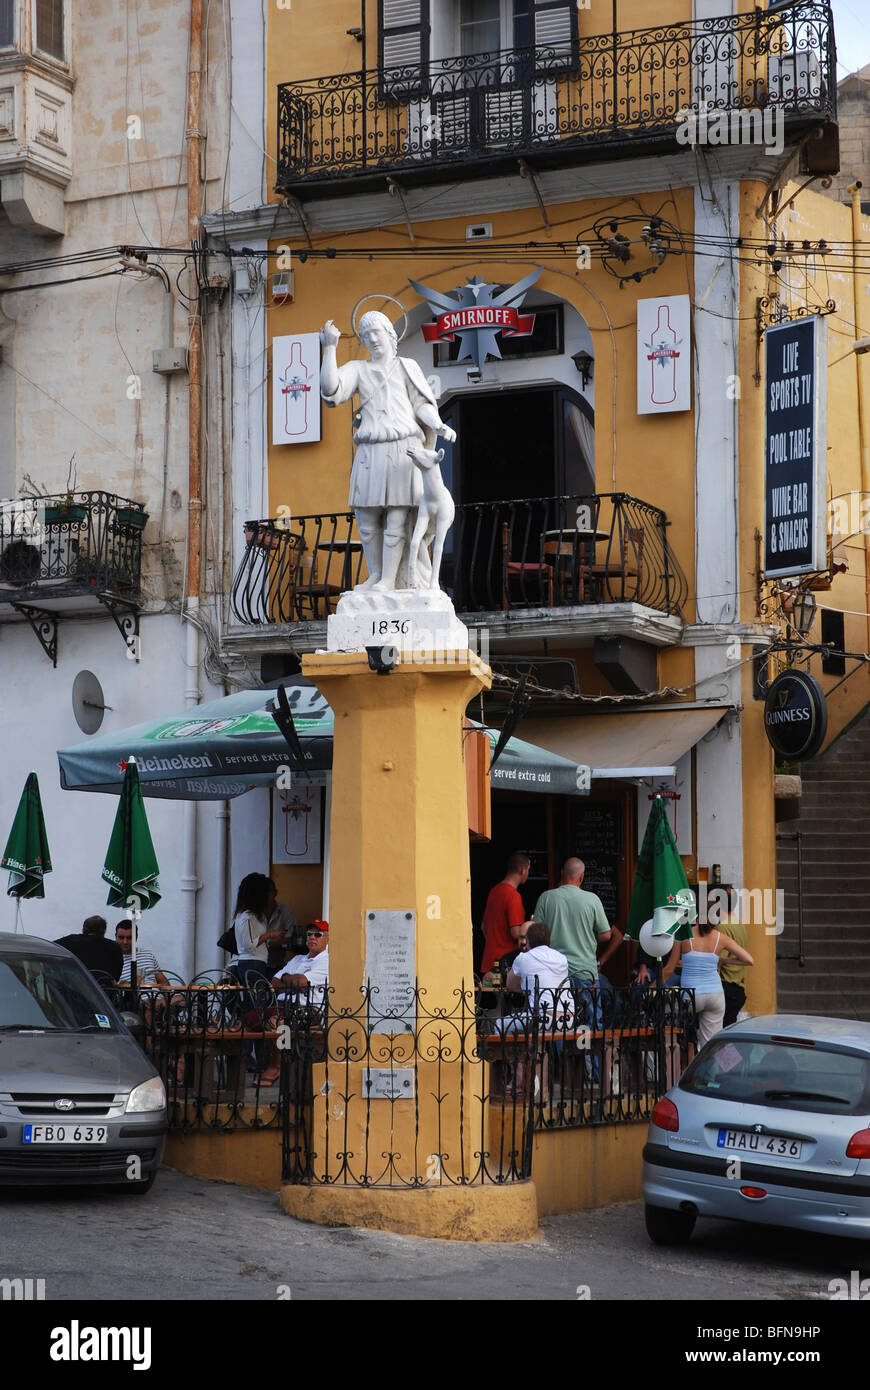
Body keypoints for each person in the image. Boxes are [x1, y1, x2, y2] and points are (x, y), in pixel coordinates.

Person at [320, 312, 457, 592]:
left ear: (391, 336)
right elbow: (331, 391)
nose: (372, 339)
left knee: (397, 514)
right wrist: (330, 348)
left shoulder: (406, 366)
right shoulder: (358, 369)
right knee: (367, 517)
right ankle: (377, 574)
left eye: (377, 333)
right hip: (370, 450)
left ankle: (388, 580)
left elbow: (422, 403)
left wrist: (438, 424)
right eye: (366, 335)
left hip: (403, 449)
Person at [663, 899, 754, 1048]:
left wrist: (650, 989)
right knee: (712, 1046)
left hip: (691, 995)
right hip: (715, 995)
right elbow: (749, 960)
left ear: (697, 916)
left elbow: (668, 969)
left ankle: (681, 1064)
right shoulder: (720, 937)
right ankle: (722, 1069)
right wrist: (721, 959)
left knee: (671, 1031)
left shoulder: (684, 935)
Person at [259, 922, 330, 1085]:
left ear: (327, 939)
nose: (312, 937)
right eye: (309, 934)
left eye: (318, 935)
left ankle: (277, 1066)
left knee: (278, 1024)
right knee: (244, 1022)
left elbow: (300, 982)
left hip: (308, 1010)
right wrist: (290, 980)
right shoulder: (298, 959)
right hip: (282, 1005)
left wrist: (288, 979)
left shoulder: (326, 961)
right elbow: (274, 982)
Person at [480, 851, 532, 975]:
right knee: (504, 993)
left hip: (489, 961)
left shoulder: (494, 891)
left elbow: (483, 927)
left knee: (488, 993)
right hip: (506, 964)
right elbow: (515, 932)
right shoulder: (513, 895)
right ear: (522, 870)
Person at [711, 886, 749, 1025]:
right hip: (738, 988)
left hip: (726, 988)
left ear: (718, 905)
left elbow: (716, 962)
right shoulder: (739, 925)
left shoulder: (722, 928)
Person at [55, 916, 124, 983]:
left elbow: (49, 948)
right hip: (105, 991)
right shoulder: (115, 947)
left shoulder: (70, 941)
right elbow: (116, 976)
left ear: (83, 929)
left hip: (75, 989)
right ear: (104, 930)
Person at [114, 921, 173, 988]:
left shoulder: (148, 955)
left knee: (181, 997)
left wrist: (169, 996)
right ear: (116, 936)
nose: (125, 942)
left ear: (136, 937)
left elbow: (162, 981)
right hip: (133, 997)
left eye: (129, 938)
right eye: (121, 937)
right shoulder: (112, 959)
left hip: (156, 996)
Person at [264, 878, 299, 973]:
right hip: (255, 961)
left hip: (276, 962)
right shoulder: (253, 913)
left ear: (275, 893)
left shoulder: (285, 910)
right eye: (263, 892)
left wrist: (264, 943)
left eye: (268, 892)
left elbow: (291, 939)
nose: (266, 895)